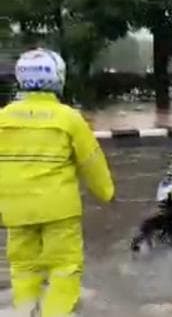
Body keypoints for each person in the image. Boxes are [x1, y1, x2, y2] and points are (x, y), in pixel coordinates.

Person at [0, 48, 115, 317]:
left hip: (15, 211)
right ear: (58, 77)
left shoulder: (2, 117)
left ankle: (25, 311)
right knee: (64, 266)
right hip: (59, 211)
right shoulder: (69, 118)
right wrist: (107, 194)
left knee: (23, 267)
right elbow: (92, 162)